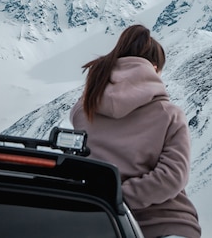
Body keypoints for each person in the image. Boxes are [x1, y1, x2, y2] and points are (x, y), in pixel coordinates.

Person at [70, 24, 201, 238]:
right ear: (155, 69)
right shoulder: (169, 114)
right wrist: (121, 197)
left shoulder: (84, 110)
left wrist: (109, 199)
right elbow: (172, 177)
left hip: (103, 224)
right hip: (166, 224)